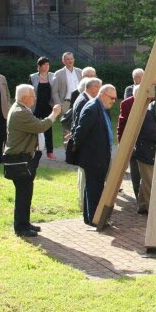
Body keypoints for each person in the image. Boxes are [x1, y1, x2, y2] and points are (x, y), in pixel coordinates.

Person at [4, 84, 62, 237]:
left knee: (26, 192)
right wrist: (54, 114)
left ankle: (25, 223)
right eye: (33, 95)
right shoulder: (19, 112)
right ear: (25, 98)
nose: (35, 98)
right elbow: (40, 126)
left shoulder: (22, 109)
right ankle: (21, 227)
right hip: (20, 159)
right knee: (23, 193)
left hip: (25, 157)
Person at [71, 84, 118, 227]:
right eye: (112, 98)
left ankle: (91, 217)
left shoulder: (103, 108)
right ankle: (94, 219)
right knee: (94, 188)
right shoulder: (92, 108)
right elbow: (81, 131)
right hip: (93, 156)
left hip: (101, 154)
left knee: (95, 187)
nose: (114, 101)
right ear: (102, 95)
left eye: (115, 98)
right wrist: (78, 150)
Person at [69, 77, 102, 209]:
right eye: (99, 88)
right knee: (85, 178)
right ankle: (84, 205)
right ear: (92, 88)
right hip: (87, 147)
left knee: (84, 177)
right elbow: (82, 127)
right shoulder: (85, 101)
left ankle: (85, 204)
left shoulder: (83, 98)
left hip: (85, 146)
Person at [133, 92, 156, 215]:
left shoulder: (149, 110)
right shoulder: (148, 112)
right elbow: (152, 134)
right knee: (150, 182)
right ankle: (154, 211)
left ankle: (142, 205)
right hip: (146, 151)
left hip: (147, 151)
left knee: (146, 179)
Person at [29, 57, 57, 160]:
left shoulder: (53, 76)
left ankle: (50, 152)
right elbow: (29, 91)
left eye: (48, 64)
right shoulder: (33, 77)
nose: (47, 66)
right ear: (39, 66)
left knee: (48, 128)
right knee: (34, 128)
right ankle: (33, 150)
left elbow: (56, 91)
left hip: (48, 106)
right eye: (44, 64)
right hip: (35, 106)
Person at [116, 86, 141, 199]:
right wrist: (122, 143)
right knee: (135, 169)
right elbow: (122, 124)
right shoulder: (126, 103)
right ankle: (138, 197)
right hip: (132, 141)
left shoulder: (153, 101)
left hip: (148, 141)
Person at [52, 52, 84, 133]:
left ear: (74, 60)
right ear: (63, 61)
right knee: (66, 129)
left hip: (79, 101)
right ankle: (67, 145)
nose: (70, 61)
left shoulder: (80, 72)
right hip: (65, 103)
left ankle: (77, 145)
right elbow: (54, 92)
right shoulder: (58, 73)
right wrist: (59, 104)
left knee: (81, 125)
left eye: (71, 59)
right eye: (68, 59)